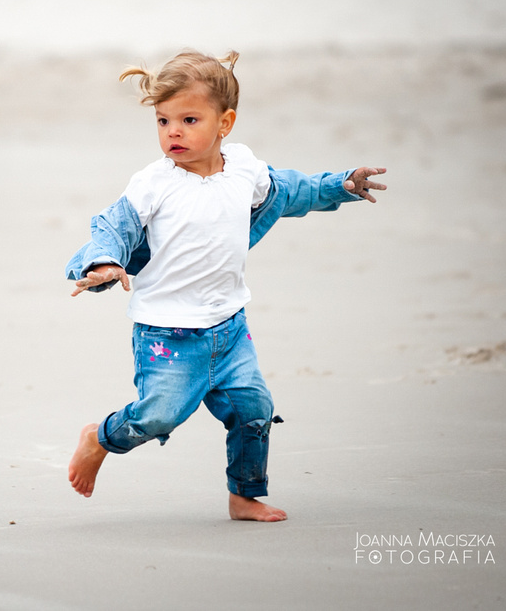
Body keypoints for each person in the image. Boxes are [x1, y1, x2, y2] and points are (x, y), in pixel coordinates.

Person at [65, 49, 386, 522]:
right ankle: (100, 438)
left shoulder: (245, 171)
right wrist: (106, 263)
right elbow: (113, 226)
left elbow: (292, 190)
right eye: (162, 120)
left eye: (189, 119)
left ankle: (245, 495)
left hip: (230, 327)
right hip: (167, 334)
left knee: (253, 409)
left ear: (225, 123)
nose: (172, 131)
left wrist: (340, 184)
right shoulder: (153, 184)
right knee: (158, 416)